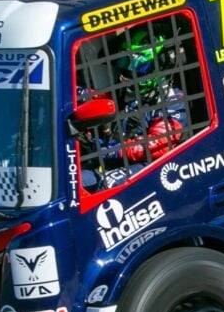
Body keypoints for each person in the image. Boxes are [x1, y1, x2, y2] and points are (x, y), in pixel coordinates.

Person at [79, 26, 187, 190]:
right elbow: (100, 98)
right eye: (124, 63)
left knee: (106, 185)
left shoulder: (171, 98)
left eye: (136, 67)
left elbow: (158, 144)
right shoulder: (127, 91)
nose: (126, 72)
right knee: (74, 182)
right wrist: (78, 95)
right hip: (117, 161)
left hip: (151, 166)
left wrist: (111, 150)